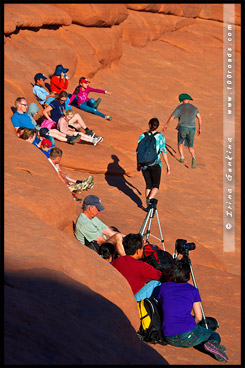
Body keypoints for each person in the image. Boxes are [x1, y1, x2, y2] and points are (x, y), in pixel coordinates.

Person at [158, 257, 228, 363]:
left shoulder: (164, 287)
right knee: (214, 334)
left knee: (193, 329)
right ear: (187, 275)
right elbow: (199, 317)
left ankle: (206, 344)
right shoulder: (192, 290)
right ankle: (212, 344)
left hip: (168, 336)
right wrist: (192, 326)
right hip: (187, 335)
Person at [111, 233, 162, 301]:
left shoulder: (116, 261)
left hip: (115, 296)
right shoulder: (143, 266)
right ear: (138, 251)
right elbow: (162, 277)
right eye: (142, 248)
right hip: (132, 301)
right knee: (156, 283)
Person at [11, 97, 80, 145]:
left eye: (26, 105)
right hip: (32, 134)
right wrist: (33, 134)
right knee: (53, 134)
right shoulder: (15, 117)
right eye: (25, 105)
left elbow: (32, 124)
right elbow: (18, 132)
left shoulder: (26, 114)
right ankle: (69, 140)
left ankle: (69, 138)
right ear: (19, 105)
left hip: (36, 130)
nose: (26, 106)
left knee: (55, 131)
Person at [137, 118, 170, 211]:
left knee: (148, 185)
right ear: (157, 126)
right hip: (155, 164)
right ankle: (150, 200)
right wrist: (168, 165)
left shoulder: (142, 136)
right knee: (155, 186)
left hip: (144, 164)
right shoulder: (161, 137)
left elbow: (138, 151)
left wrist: (138, 164)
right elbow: (163, 151)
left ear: (149, 125)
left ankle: (148, 205)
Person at [163, 93, 202, 168]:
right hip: (192, 128)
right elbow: (200, 118)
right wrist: (200, 128)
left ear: (182, 100)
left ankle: (182, 157)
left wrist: (167, 124)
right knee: (190, 146)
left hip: (183, 127)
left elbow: (172, 116)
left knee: (180, 142)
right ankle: (193, 157)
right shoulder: (194, 108)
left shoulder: (180, 107)